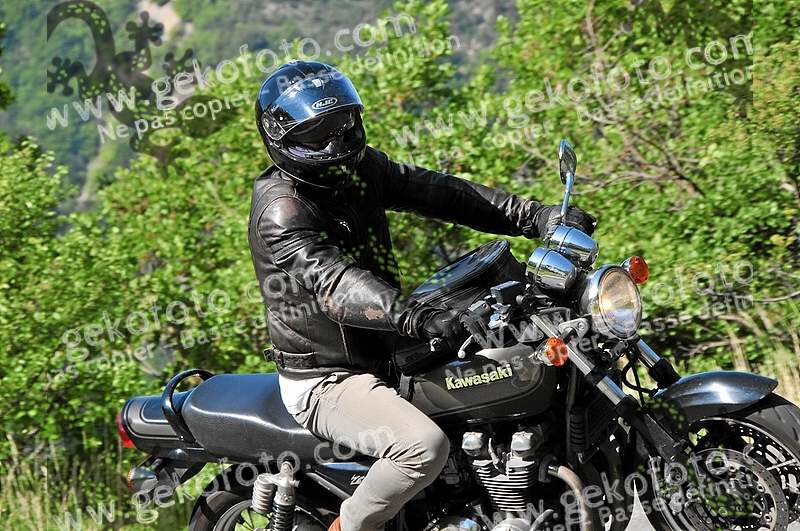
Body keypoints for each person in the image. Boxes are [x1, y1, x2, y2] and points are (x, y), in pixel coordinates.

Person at [248, 60, 595, 531]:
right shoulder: (281, 211)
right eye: (316, 136)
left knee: (520, 359)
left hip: (389, 346)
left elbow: (443, 193)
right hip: (329, 376)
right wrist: (415, 315)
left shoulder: (363, 169)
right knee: (422, 448)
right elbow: (335, 284)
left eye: (342, 125)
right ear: (282, 141)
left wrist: (534, 216)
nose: (335, 144)